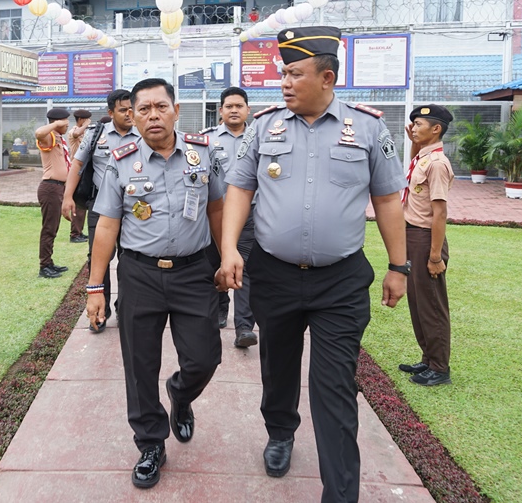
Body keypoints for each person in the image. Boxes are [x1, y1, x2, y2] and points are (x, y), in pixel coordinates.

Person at [218, 26, 408, 501]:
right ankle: (280, 432)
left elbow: (387, 199)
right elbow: (240, 188)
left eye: (294, 73)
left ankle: (340, 494)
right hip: (275, 275)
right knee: (277, 366)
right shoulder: (264, 126)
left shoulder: (367, 128)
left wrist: (399, 266)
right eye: (283, 71)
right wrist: (227, 251)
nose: (283, 81)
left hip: (339, 283)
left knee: (334, 386)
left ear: (327, 78)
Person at [86, 78, 225, 489]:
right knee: (139, 365)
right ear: (131, 114)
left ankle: (180, 395)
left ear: (176, 110)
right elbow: (107, 224)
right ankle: (150, 444)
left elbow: (217, 208)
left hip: (194, 272)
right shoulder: (120, 159)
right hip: (140, 274)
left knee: (204, 359)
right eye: (141, 109)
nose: (151, 115)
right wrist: (96, 287)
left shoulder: (204, 153)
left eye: (159, 107)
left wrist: (226, 257)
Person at [61, 90, 137, 331]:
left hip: (134, 208)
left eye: (131, 108)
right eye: (123, 109)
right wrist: (67, 197)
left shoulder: (143, 134)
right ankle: (100, 311)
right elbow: (78, 164)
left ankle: (126, 309)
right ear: (110, 112)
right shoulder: (96, 135)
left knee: (131, 259)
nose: (129, 113)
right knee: (98, 260)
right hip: (100, 208)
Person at [400, 104, 455, 387]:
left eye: (419, 124)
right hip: (412, 236)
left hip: (425, 239)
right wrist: (412, 145)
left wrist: (435, 256)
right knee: (417, 301)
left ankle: (439, 367)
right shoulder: (422, 158)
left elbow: (439, 213)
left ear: (436, 129)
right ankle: (428, 358)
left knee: (431, 305)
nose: (414, 127)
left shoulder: (436, 164)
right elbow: (411, 182)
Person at [201, 87, 258, 347]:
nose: (234, 110)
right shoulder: (207, 140)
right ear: (220, 111)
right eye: (229, 106)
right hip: (215, 215)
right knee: (215, 264)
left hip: (252, 215)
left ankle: (245, 326)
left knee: (245, 268)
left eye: (239, 105)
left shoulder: (262, 138)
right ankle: (220, 309)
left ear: (248, 110)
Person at [35, 107, 72, 278]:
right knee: (49, 228)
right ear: (58, 122)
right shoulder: (49, 137)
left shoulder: (59, 138)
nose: (67, 125)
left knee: (53, 227)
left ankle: (49, 262)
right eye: (65, 121)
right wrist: (56, 124)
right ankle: (44, 266)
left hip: (59, 187)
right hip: (50, 187)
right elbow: (38, 132)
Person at [66, 109, 93, 244]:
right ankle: (75, 233)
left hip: (84, 171)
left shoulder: (85, 132)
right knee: (78, 204)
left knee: (83, 204)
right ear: (82, 119)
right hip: (76, 171)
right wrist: (86, 125)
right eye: (87, 119)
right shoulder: (74, 131)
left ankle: (79, 232)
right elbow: (76, 134)